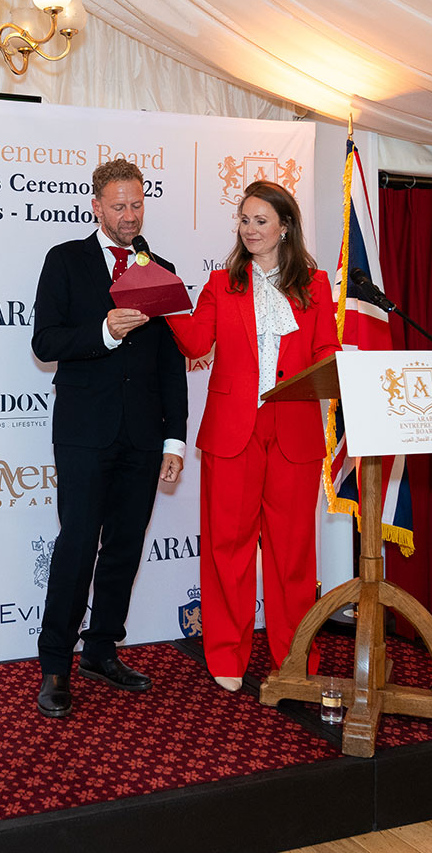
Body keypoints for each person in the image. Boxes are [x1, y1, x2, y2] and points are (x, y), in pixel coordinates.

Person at [31, 158, 188, 718]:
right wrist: (102, 331)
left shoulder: (161, 268)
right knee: (77, 546)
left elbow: (171, 364)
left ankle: (101, 651)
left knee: (124, 547)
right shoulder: (65, 260)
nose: (130, 215)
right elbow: (45, 343)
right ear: (96, 206)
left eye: (137, 204)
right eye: (119, 206)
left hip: (143, 436)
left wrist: (175, 441)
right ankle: (55, 664)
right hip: (84, 433)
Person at [166, 180, 338, 691]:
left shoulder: (316, 283)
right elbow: (196, 342)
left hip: (295, 431)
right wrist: (166, 300)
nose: (250, 229)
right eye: (244, 220)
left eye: (261, 220)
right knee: (228, 548)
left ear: (285, 227)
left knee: (293, 554)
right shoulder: (222, 284)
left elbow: (325, 349)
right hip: (231, 431)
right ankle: (225, 654)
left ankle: (295, 655)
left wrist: (340, 365)